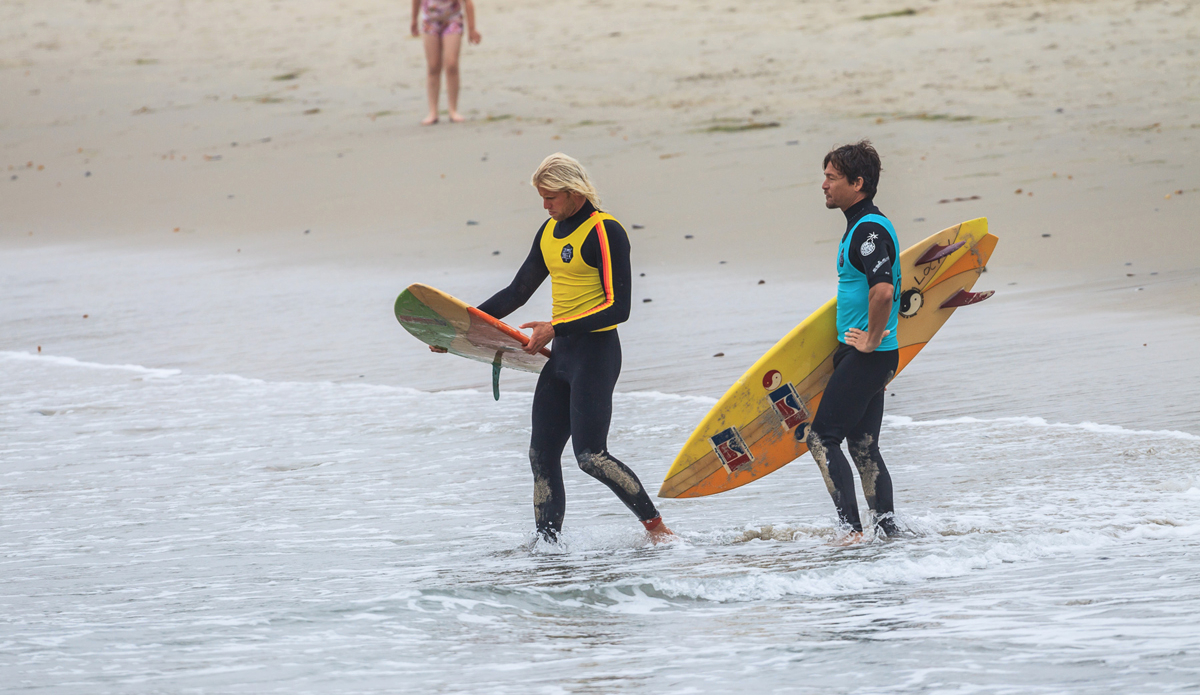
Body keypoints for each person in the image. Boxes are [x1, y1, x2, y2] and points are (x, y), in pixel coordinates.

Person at [446, 153, 672, 542]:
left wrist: (555, 327)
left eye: (550, 197)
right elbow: (517, 291)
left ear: (574, 192)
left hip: (596, 355)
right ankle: (548, 549)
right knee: (541, 455)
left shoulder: (605, 231)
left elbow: (619, 307)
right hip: (563, 356)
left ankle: (658, 530)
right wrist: (459, 328)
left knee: (591, 457)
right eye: (542, 198)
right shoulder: (549, 231)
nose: (545, 206)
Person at [807, 140, 901, 540]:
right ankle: (887, 532)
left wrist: (871, 342)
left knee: (821, 439)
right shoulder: (863, 225)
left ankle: (851, 533)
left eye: (832, 178)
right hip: (870, 357)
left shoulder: (868, 230)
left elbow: (884, 291)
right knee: (863, 447)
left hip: (867, 355)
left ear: (857, 183)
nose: (824, 185)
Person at [410, 0, 481, 125]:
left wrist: (472, 29)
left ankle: (453, 110)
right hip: (430, 22)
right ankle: (433, 112)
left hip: (453, 20)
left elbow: (468, 3)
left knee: (452, 64)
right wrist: (414, 20)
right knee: (433, 66)